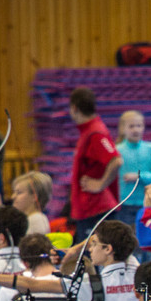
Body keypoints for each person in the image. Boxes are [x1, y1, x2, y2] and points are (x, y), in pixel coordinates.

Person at [67, 87, 119, 239]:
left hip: (94, 208)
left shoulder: (95, 133)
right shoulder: (88, 131)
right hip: (87, 208)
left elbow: (116, 160)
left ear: (74, 108)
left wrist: (101, 184)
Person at [113, 110, 151, 228]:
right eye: (131, 126)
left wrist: (139, 176)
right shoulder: (117, 150)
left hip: (148, 203)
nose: (136, 130)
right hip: (124, 204)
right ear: (123, 129)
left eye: (139, 126)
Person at [11, 170, 53, 235]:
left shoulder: (36, 220)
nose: (13, 197)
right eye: (14, 192)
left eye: (19, 192)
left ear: (34, 197)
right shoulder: (29, 219)